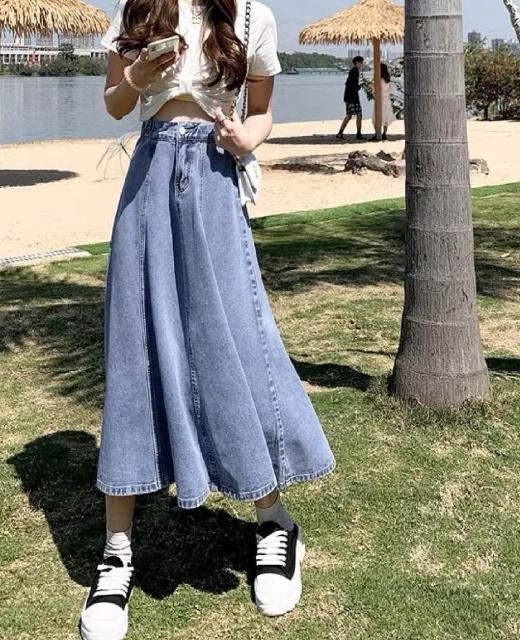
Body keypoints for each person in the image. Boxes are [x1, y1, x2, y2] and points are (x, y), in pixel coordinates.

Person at [78, 1, 336, 638]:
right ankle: (117, 552)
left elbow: (263, 111)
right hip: (149, 177)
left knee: (237, 343)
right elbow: (114, 105)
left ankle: (275, 522)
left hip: (216, 180)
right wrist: (137, 77)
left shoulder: (250, 16)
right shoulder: (137, 8)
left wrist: (250, 137)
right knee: (134, 346)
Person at [336, 56, 365, 141]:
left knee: (349, 115)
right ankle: (358, 134)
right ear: (357, 63)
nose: (361, 64)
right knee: (358, 115)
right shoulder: (355, 71)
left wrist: (358, 86)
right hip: (353, 97)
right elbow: (353, 85)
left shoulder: (353, 71)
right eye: (361, 63)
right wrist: (360, 86)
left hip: (348, 96)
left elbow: (348, 83)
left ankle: (340, 133)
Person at [371, 63, 396, 141]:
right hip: (386, 99)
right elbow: (390, 90)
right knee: (386, 117)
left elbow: (374, 90)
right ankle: (384, 133)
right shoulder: (387, 79)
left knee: (376, 117)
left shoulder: (378, 79)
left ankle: (377, 134)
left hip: (379, 99)